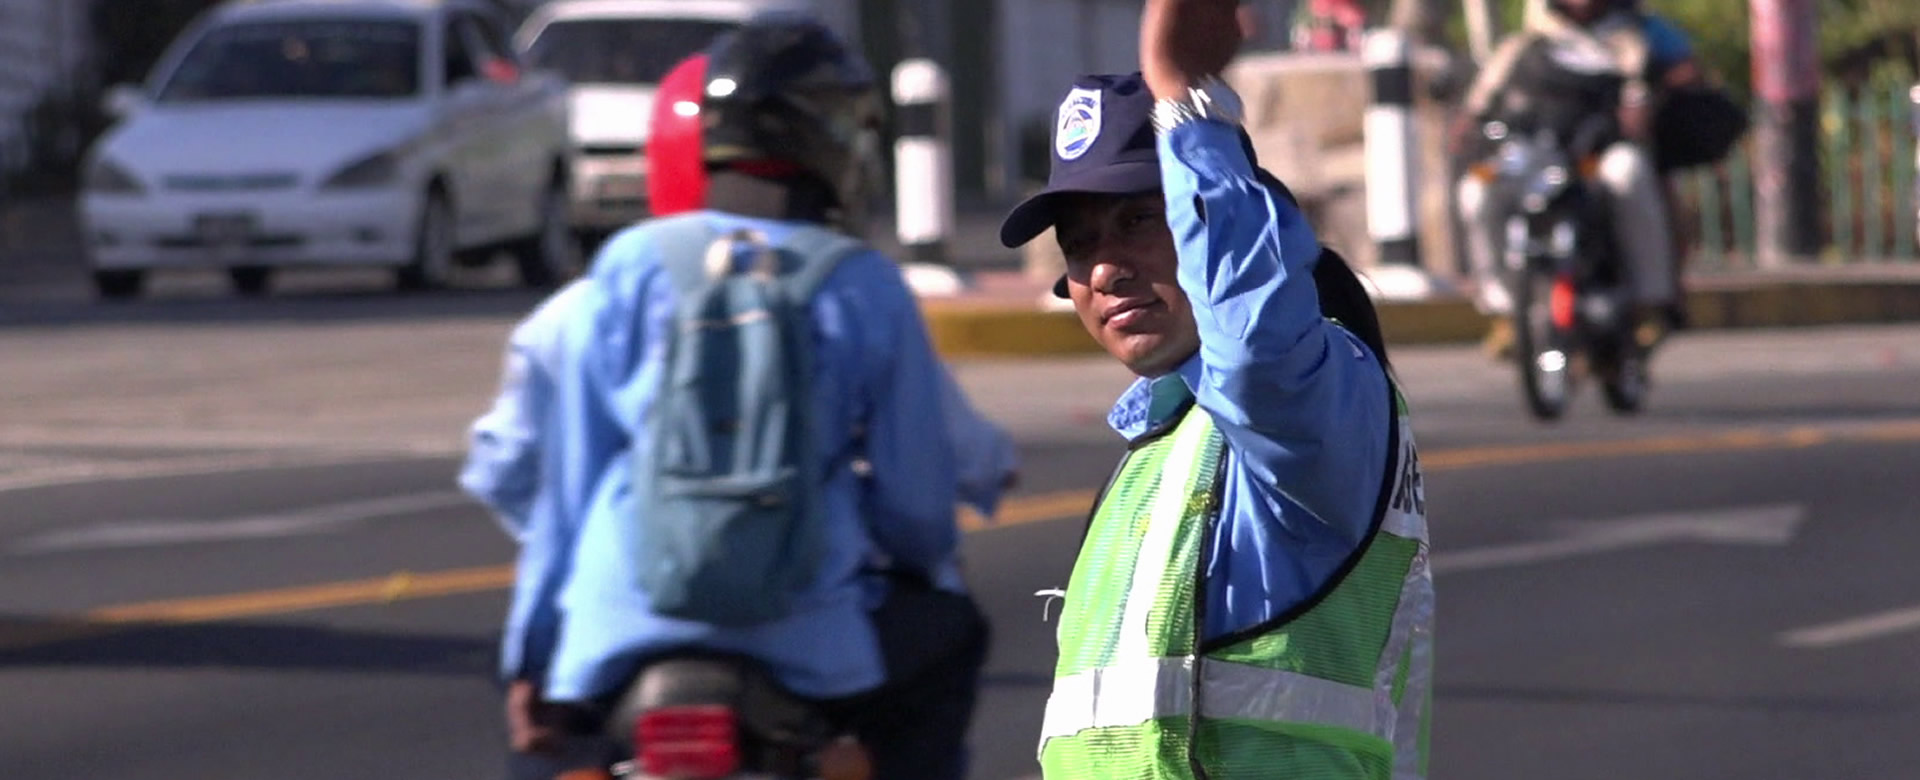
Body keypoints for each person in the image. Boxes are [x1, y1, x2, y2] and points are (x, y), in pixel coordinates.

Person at [455, 16, 1010, 780]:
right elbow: (915, 510)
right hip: (810, 648)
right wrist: (916, 566)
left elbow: (566, 496)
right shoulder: (861, 285)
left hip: (615, 639)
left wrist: (534, 661)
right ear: (827, 135)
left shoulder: (623, 269)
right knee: (949, 637)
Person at [1000, 0, 1433, 776]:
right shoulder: (1152, 456)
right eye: (1080, 243)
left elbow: (1256, 347)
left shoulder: (1303, 407)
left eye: (1140, 220)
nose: (1103, 268)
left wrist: (1190, 108)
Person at [1452, 0, 1705, 351]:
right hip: (1536, 153)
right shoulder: (1524, 46)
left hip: (1595, 156)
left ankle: (1649, 303)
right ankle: (1505, 311)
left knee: (1628, 172)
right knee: (1476, 189)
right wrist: (1469, 128)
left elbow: (1668, 82)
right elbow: (1480, 102)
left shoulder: (1632, 40)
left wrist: (1645, 107)